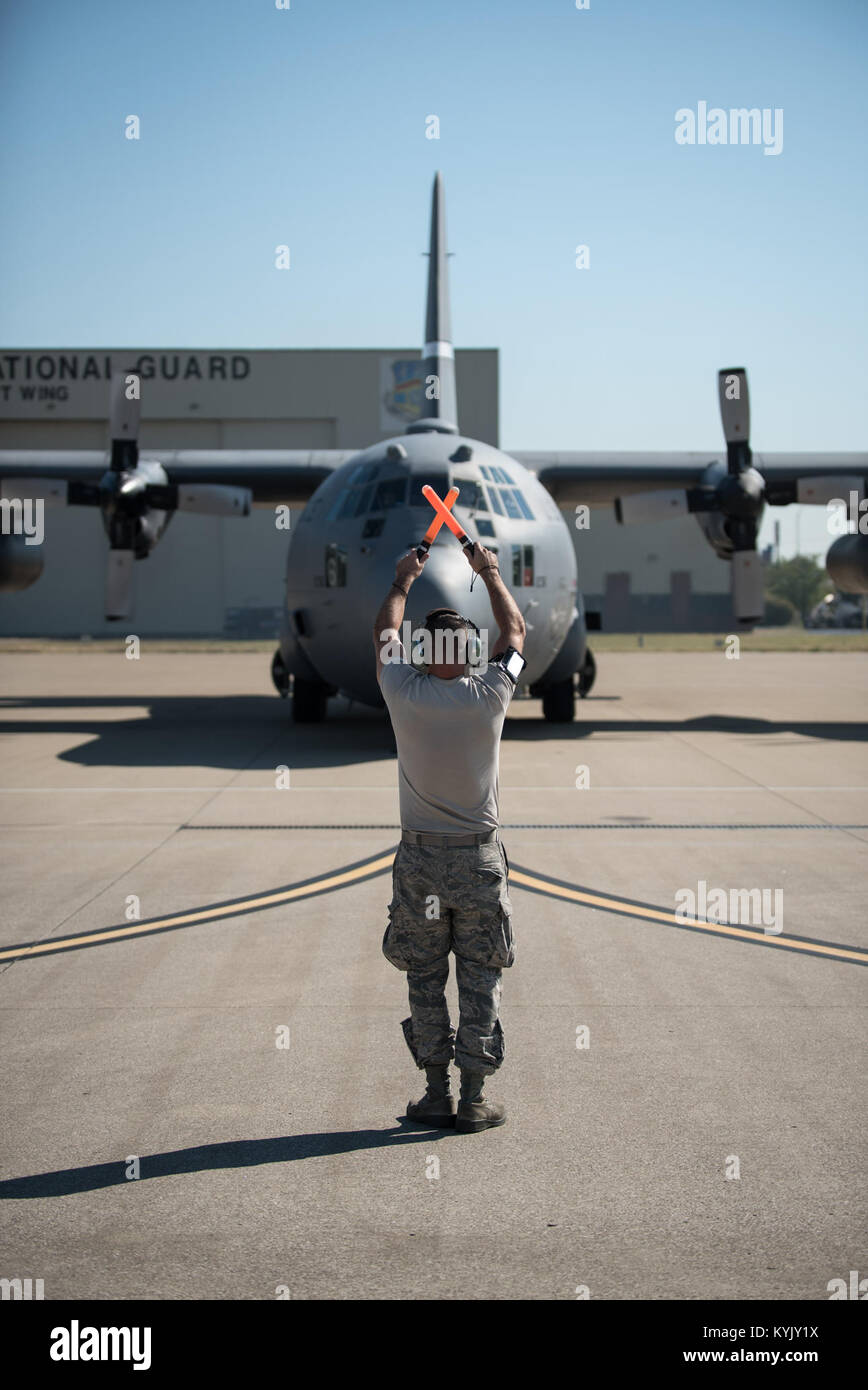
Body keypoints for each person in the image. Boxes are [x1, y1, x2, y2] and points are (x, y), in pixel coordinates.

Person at [373, 542, 526, 1134]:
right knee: (481, 975)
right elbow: (513, 629)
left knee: (424, 975)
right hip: (478, 861)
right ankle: (473, 1098)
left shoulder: (400, 689)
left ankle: (434, 1093)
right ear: (467, 651)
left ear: (421, 650)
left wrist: (402, 580)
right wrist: (487, 570)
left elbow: (385, 631)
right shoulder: (491, 692)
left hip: (419, 861)